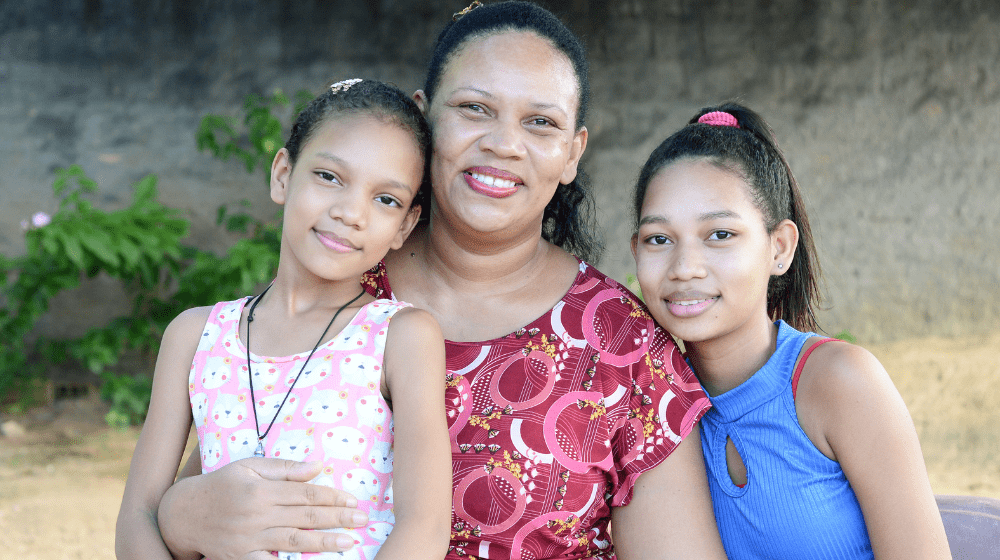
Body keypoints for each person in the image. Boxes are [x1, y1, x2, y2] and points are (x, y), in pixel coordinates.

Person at [154, 2, 728, 559]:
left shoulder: (621, 344)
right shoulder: (340, 283)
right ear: (425, 117)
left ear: (573, 151)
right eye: (475, 109)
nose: (504, 143)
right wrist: (182, 514)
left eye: (541, 122)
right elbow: (229, 470)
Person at [116, 79, 452, 560]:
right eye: (330, 177)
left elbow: (425, 526)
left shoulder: (401, 337)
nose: (350, 212)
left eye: (386, 199)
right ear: (282, 174)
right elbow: (138, 518)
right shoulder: (194, 336)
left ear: (404, 226)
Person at [630, 102, 952, 559]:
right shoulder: (650, 408)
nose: (684, 268)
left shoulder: (838, 382)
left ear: (779, 247)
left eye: (719, 234)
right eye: (659, 239)